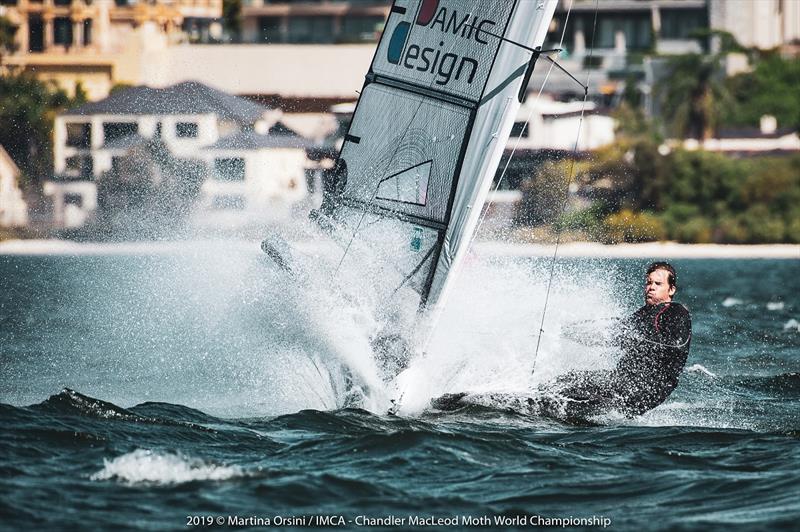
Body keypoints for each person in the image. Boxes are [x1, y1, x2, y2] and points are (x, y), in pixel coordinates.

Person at [431, 262, 693, 421]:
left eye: (657, 284)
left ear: (671, 289)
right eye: (648, 283)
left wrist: (633, 338)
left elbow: (676, 343)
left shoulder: (676, 312)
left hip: (646, 386)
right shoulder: (642, 314)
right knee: (569, 380)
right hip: (624, 379)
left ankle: (539, 403)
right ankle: (530, 397)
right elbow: (614, 333)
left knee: (577, 389)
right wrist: (568, 331)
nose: (650, 287)